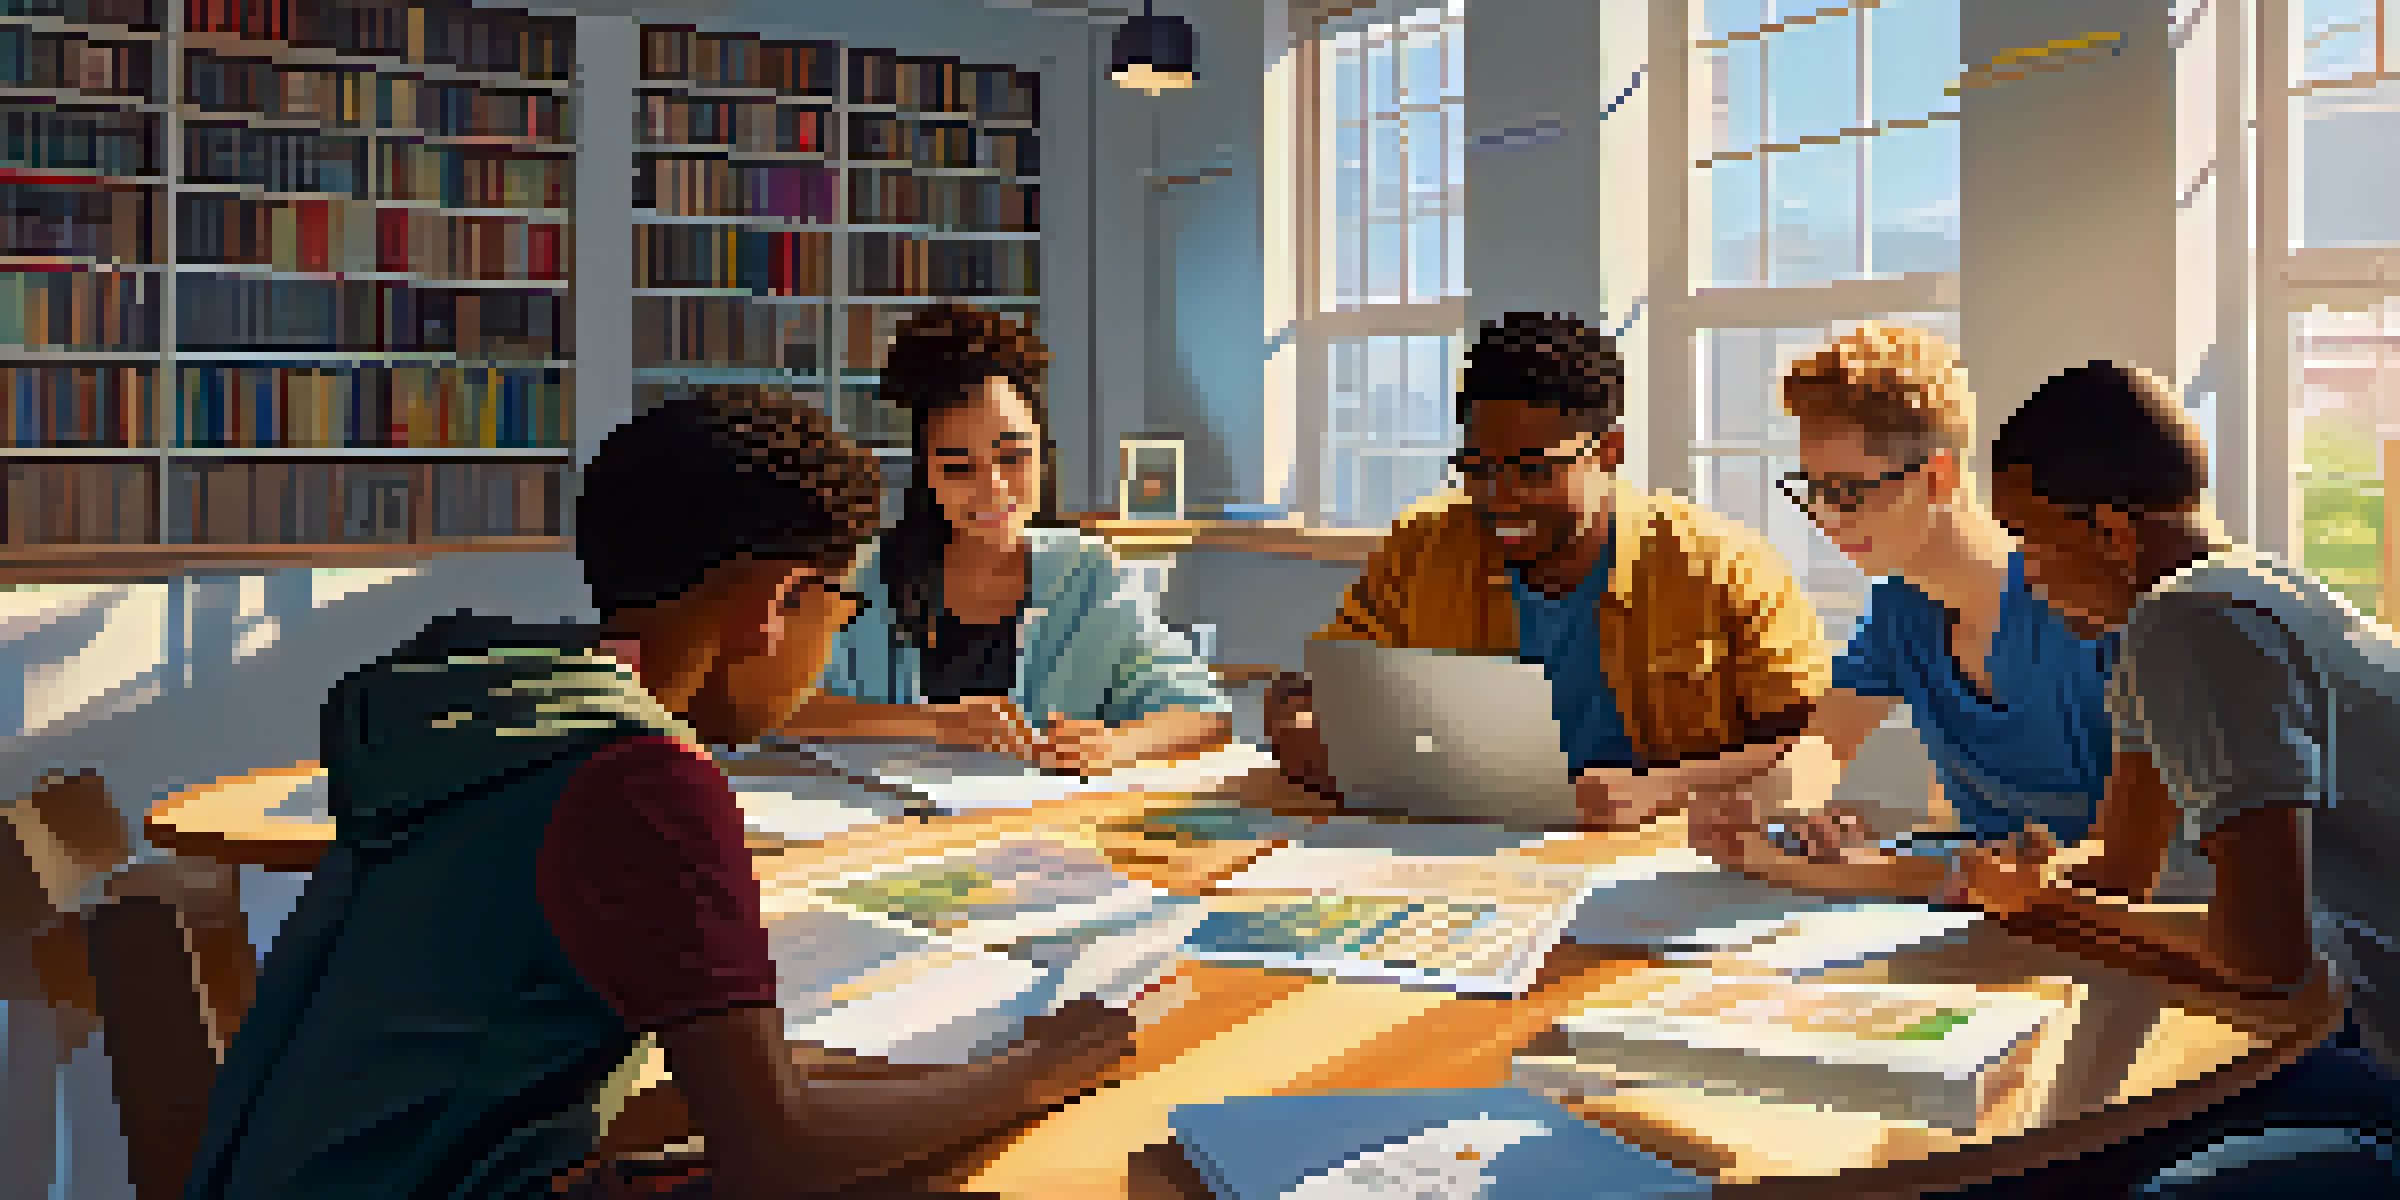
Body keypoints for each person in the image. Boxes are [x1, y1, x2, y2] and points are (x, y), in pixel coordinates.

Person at [181, 392, 1135, 1200]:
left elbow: (719, 1072)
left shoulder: (508, 703)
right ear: (775, 605)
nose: (831, 641)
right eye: (839, 605)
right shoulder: (643, 783)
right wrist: (1037, 1070)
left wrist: (966, 1072)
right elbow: (778, 1147)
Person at [1944, 360, 2399, 1195]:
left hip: (2371, 1060)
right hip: (2339, 1019)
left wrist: (2045, 905)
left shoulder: (2191, 621)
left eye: (2034, 542)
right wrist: (2037, 877)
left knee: (2004, 1164)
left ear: (2113, 531)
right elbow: (2124, 869)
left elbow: (2266, 960)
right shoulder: (2224, 598)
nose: (2027, 576)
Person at [1265, 311, 1832, 829]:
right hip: (1465, 853)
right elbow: (1322, 694)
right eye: (1477, 469)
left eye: (1533, 472)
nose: (1501, 499)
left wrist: (1661, 790)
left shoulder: (1724, 567)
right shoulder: (1423, 548)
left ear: (1610, 451)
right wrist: (1306, 737)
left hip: (1658, 865)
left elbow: (1817, 748)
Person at [1688, 324, 2175, 902]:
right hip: (1990, 920)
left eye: (1848, 490)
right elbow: (1824, 742)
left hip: (2119, 924)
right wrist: (1767, 805)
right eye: (1811, 489)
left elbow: (2129, 860)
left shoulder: (2083, 604)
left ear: (1937, 476)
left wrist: (1850, 871)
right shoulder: (1900, 608)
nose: (1824, 517)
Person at [778, 304, 1231, 774]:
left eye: (1013, 457)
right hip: (883, 825)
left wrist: (1115, 744)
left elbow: (1204, 713)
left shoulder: (1090, 574)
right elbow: (778, 707)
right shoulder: (864, 574)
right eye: (958, 467)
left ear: (1043, 455)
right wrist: (935, 722)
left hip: (1037, 831)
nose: (992, 487)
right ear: (926, 474)